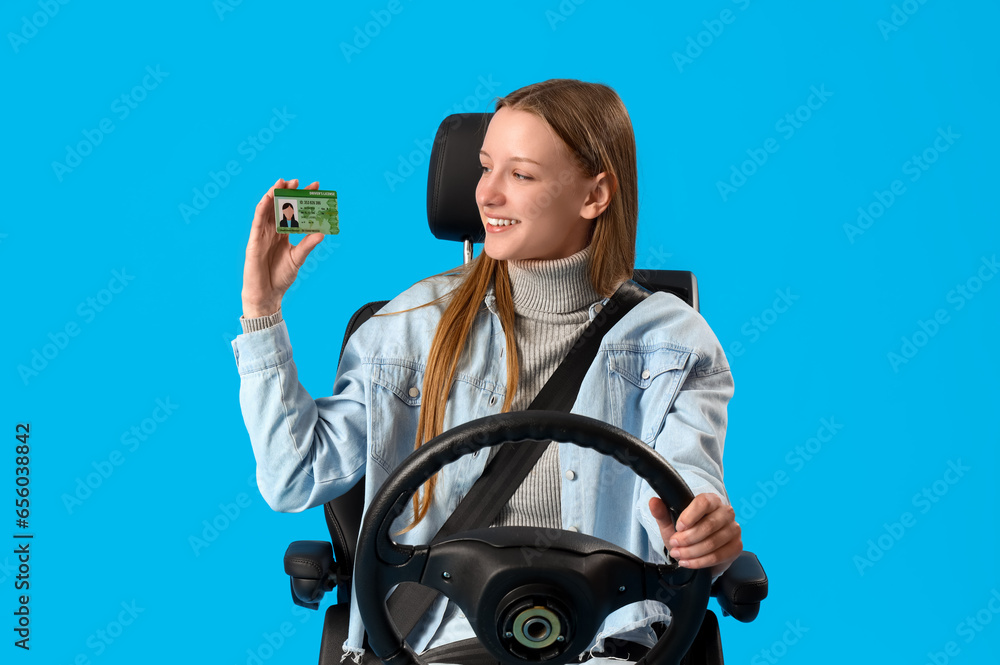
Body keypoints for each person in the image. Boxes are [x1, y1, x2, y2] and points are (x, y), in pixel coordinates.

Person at [233, 78, 741, 664]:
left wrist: (705, 535)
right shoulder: (413, 326)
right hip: (438, 648)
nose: (488, 196)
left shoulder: (671, 343)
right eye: (484, 168)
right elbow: (293, 477)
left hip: (604, 648)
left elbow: (691, 491)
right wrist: (262, 311)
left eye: (520, 175)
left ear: (595, 195)